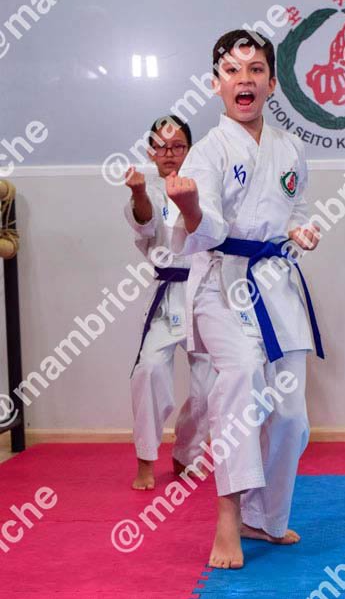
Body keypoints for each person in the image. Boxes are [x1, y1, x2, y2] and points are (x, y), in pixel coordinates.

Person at [165, 31, 322, 568]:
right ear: (216, 84)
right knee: (242, 382)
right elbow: (205, 228)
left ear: (272, 83)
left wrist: (300, 230)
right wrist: (190, 208)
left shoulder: (289, 147)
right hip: (221, 284)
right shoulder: (208, 151)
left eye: (255, 70)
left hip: (276, 283)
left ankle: (264, 517)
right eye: (232, 70)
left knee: (292, 417)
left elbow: (297, 207)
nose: (244, 79)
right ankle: (228, 519)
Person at [125, 115, 214, 490]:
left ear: (189, 150)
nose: (169, 153)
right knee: (148, 370)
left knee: (209, 386)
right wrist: (138, 194)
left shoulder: (204, 187)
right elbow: (144, 223)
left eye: (177, 146)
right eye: (161, 147)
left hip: (206, 293)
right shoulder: (148, 192)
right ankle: (146, 459)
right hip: (166, 297)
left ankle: (186, 453)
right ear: (151, 152)